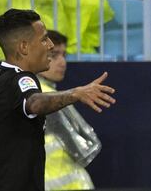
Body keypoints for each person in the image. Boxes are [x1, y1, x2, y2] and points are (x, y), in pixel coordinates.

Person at [0, 8, 115, 191]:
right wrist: (75, 93)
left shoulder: (2, 76)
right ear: (23, 47)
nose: (50, 45)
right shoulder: (21, 79)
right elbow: (34, 102)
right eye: (44, 39)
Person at [39, 30, 99, 190]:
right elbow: (85, 148)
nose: (62, 62)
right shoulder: (47, 96)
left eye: (64, 55)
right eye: (54, 55)